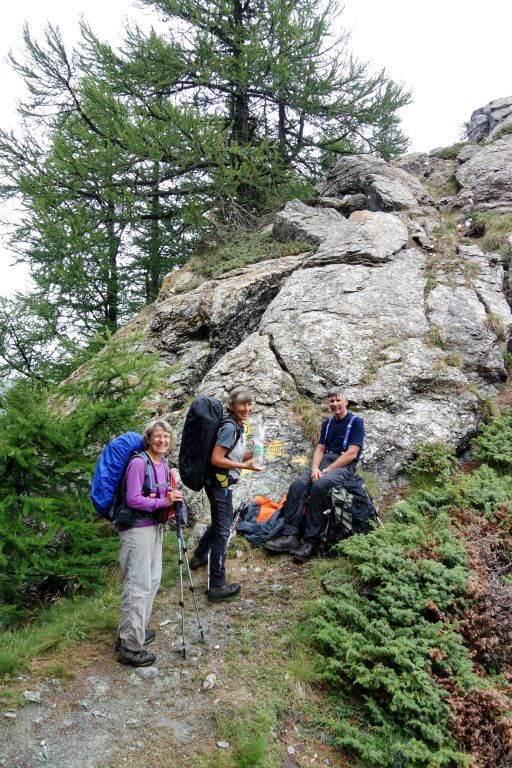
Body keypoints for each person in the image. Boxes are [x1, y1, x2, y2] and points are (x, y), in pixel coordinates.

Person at [264, 388, 364, 562]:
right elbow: (320, 448)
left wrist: (325, 471)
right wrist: (314, 469)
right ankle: (291, 536)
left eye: (338, 400)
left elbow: (352, 454)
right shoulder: (328, 423)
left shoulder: (356, 422)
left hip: (344, 466)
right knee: (298, 485)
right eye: (331, 401)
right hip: (324, 462)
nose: (335, 404)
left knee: (319, 486)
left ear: (346, 401)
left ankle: (311, 541)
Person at [116, 418, 183, 667]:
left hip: (154, 527)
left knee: (152, 581)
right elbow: (133, 499)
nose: (162, 440)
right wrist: (162, 503)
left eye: (166, 437)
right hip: (136, 530)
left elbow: (160, 495)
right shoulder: (137, 463)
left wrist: (172, 500)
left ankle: (133, 631)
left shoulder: (163, 464)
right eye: (158, 436)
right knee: (138, 585)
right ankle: (130, 647)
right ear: (149, 438)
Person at [189, 386, 263, 601]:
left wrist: (256, 452)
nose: (247, 408)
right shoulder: (230, 427)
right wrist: (248, 466)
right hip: (219, 484)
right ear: (232, 406)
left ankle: (199, 556)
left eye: (249, 404)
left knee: (221, 520)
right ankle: (217, 586)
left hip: (221, 482)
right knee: (223, 530)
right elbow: (217, 459)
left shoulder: (237, 426)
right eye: (242, 404)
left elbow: (234, 455)